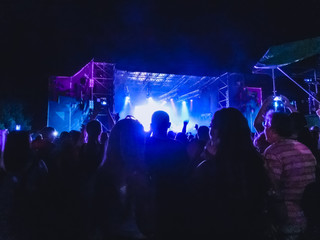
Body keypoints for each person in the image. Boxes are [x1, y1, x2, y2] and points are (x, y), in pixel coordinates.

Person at [190, 107, 269, 239]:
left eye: (211, 126)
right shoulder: (256, 161)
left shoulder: (209, 168)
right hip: (252, 229)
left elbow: (196, 203)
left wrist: (205, 159)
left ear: (217, 132)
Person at [263, 111, 317, 240]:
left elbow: (271, 188)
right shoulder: (304, 148)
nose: (264, 130)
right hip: (309, 214)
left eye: (265, 126)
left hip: (286, 218)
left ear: (273, 129)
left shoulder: (273, 152)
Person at [145, 110, 189, 239]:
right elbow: (185, 172)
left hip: (150, 200)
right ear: (169, 125)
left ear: (151, 125)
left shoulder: (144, 146)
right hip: (175, 200)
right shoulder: (178, 147)